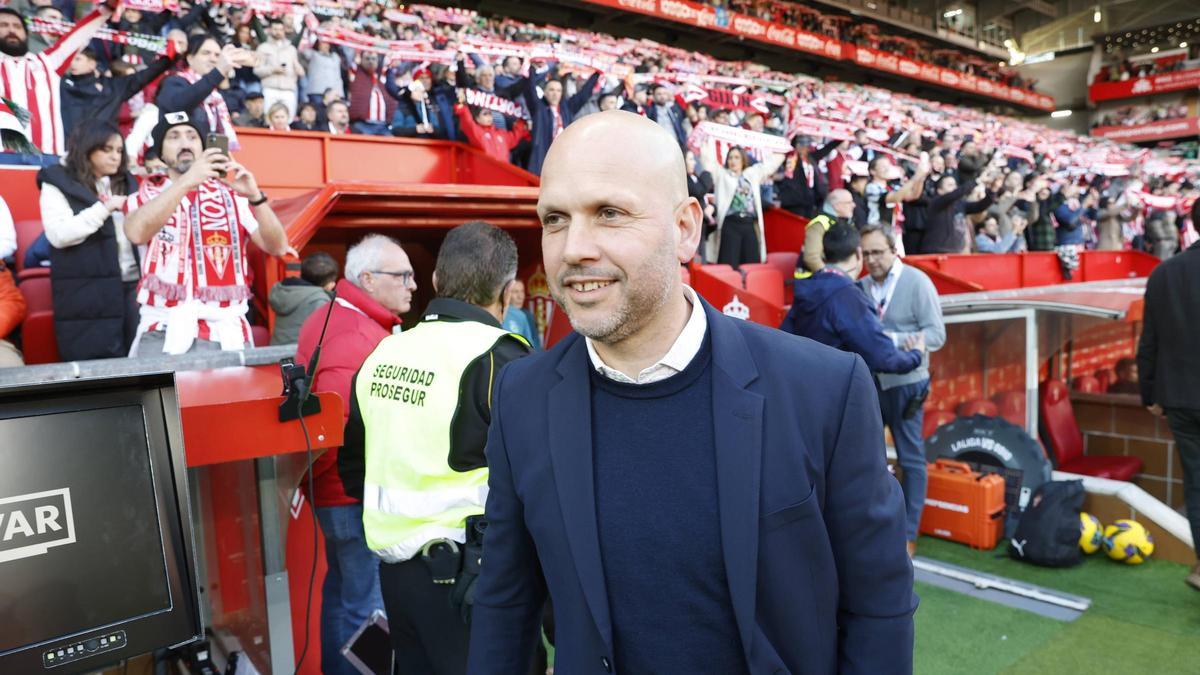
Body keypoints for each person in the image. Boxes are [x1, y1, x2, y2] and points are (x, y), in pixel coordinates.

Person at [468, 111, 915, 674]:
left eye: (610, 213)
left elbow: (879, 607)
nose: (573, 248)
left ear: (685, 228)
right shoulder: (521, 394)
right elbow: (506, 600)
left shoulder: (825, 388)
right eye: (554, 218)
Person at [339, 221, 531, 673]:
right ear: (507, 291)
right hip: (474, 580)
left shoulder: (384, 351)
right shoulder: (501, 357)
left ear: (437, 281)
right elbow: (537, 489)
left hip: (397, 577)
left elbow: (352, 467)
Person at [294, 235, 412, 675]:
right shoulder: (357, 333)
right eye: (402, 275)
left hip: (337, 491)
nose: (413, 285)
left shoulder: (334, 317)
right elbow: (336, 428)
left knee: (344, 596)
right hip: (351, 495)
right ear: (366, 279)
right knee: (368, 611)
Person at [123, 111, 290, 355]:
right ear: (160, 153)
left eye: (192, 136)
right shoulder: (145, 195)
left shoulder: (233, 195)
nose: (185, 143)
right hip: (163, 329)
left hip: (226, 332)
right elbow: (136, 233)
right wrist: (187, 181)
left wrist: (256, 197)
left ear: (203, 147)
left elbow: (277, 247)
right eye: (174, 137)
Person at [858, 224, 945, 557]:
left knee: (911, 459)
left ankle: (909, 534)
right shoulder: (861, 286)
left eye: (878, 252)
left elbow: (937, 335)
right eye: (866, 254)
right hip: (871, 381)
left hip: (908, 383)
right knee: (867, 456)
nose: (872, 260)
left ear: (894, 250)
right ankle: (874, 525)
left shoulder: (917, 282)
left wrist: (898, 340)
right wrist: (895, 339)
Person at [37, 120, 140, 360]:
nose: (115, 157)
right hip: (86, 291)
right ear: (87, 148)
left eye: (119, 151)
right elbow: (59, 235)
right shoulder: (55, 180)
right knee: (99, 369)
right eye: (107, 150)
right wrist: (104, 209)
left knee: (143, 366)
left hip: (134, 284)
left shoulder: (127, 180)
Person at [1136, 236, 1200, 592]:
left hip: (1177, 398)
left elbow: (1149, 341)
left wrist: (1150, 393)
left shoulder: (1163, 273)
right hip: (1180, 397)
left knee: (1197, 482)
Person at [781, 222, 925, 375]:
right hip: (837, 389)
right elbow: (883, 357)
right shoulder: (847, 296)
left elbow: (784, 341)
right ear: (858, 254)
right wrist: (915, 355)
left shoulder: (808, 287)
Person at [0, 4, 112, 155]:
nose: (12, 30)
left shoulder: (46, 63)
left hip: (46, 160)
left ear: (26, 34)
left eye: (17, 26)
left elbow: (79, 35)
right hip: (4, 159)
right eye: (3, 25)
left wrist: (108, 8)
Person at [156, 34, 251, 147]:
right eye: (206, 53)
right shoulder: (173, 82)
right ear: (190, 58)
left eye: (217, 55)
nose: (213, 59)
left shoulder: (216, 95)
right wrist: (218, 72)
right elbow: (178, 106)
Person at [700, 144, 785, 268]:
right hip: (730, 225)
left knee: (751, 264)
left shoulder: (752, 174)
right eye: (730, 158)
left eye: (737, 157)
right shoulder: (722, 175)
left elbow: (769, 165)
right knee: (729, 264)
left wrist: (783, 147)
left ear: (743, 159)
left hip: (749, 225)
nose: (733, 161)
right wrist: (703, 140)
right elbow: (708, 161)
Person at [60, 47, 173, 138]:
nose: (72, 64)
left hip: (101, 145)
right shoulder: (62, 84)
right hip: (69, 147)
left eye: (78, 59)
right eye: (71, 59)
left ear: (92, 64)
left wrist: (171, 56)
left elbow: (144, 76)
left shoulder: (113, 86)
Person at [521, 67, 601, 175]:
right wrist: (531, 68)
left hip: (563, 161)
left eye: (558, 90)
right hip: (542, 161)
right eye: (551, 90)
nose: (555, 93)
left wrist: (596, 74)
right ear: (544, 92)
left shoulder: (566, 108)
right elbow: (529, 90)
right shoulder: (538, 108)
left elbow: (583, 95)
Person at [268, 251, 337, 345]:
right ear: (329, 284)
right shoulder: (319, 301)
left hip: (275, 353)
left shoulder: (284, 289)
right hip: (297, 356)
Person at [798, 188, 855, 279]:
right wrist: (833, 277)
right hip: (813, 282)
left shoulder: (844, 223)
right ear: (837, 206)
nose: (854, 205)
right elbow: (811, 258)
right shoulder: (820, 224)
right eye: (849, 202)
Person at [453, 95, 528, 164]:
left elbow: (515, 136)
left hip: (504, 173)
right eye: (485, 114)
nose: (489, 116)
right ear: (477, 118)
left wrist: (522, 122)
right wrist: (462, 106)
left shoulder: (501, 133)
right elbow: (467, 122)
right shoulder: (477, 131)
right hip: (485, 173)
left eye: (490, 114)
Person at [254, 18, 302, 119]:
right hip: (270, 88)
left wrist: (298, 71)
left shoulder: (291, 49)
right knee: (268, 118)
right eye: (275, 29)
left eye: (280, 29)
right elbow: (257, 70)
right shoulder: (263, 47)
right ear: (270, 30)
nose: (278, 32)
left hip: (288, 88)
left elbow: (297, 68)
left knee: (288, 119)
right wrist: (273, 69)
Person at [501, 278, 540, 351]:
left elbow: (534, 345)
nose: (520, 297)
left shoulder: (527, 316)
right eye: (516, 292)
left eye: (522, 291)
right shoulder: (498, 312)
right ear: (506, 293)